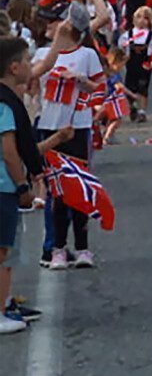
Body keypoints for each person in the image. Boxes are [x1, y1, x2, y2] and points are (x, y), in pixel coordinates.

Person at [30, 19, 103, 268]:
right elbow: (31, 84)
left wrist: (80, 79)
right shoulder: (43, 53)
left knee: (79, 187)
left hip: (78, 126)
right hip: (50, 126)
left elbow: (100, 90)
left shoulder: (87, 53)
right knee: (57, 190)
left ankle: (83, 248)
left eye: (58, 22)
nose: (52, 26)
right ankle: (58, 249)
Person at [0, 36, 42, 332]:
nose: (31, 64)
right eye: (27, 60)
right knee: (3, 251)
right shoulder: (5, 104)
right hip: (3, 186)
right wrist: (22, 186)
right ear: (14, 67)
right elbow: (9, 150)